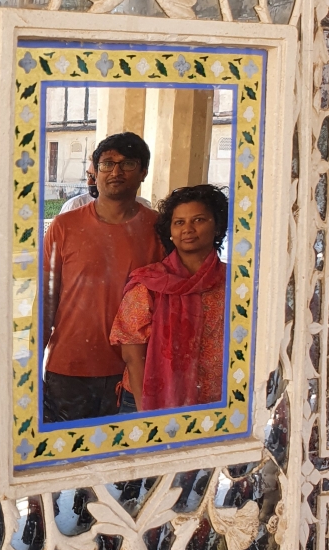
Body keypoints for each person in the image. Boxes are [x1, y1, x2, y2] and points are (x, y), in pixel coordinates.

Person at [42, 132, 165, 422]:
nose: (116, 172)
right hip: (70, 366)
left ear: (144, 172)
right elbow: (47, 298)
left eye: (128, 164)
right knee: (67, 458)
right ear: (95, 173)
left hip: (134, 369)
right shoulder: (65, 225)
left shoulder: (158, 229)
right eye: (107, 163)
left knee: (125, 459)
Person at [110, 184, 229, 412]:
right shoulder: (150, 283)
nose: (188, 229)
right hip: (146, 402)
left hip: (215, 404)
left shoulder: (236, 283)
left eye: (199, 220)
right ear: (171, 233)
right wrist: (150, 416)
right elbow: (133, 356)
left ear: (217, 227)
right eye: (179, 222)